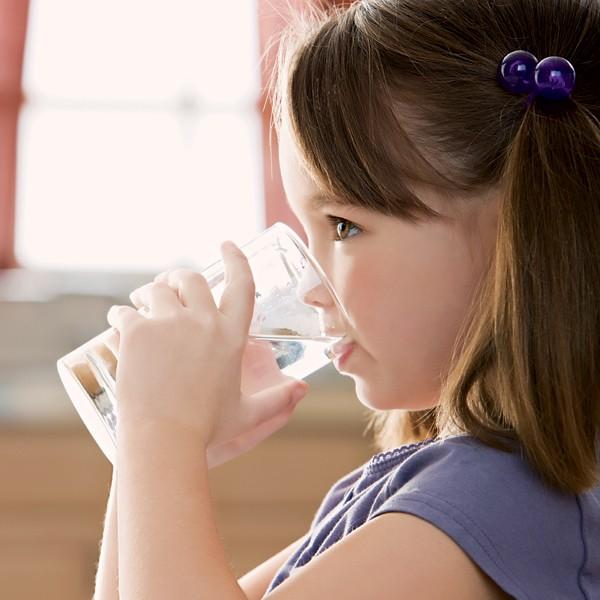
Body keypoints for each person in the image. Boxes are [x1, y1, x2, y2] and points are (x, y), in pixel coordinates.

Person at [93, 0, 600, 598]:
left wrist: (165, 432)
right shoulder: (447, 493)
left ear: (522, 229)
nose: (310, 288)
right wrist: (147, 450)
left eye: (344, 226)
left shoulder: (492, 506)